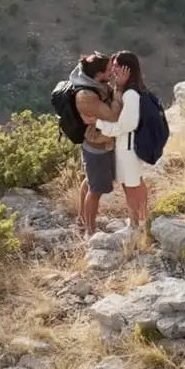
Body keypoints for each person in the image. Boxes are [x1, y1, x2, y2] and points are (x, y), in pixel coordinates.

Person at [68, 52, 122, 238]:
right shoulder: (86, 95)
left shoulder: (95, 83)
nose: (112, 72)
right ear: (98, 74)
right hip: (96, 147)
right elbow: (112, 115)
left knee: (91, 181)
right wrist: (119, 89)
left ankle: (83, 221)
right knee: (96, 189)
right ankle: (89, 231)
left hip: (100, 142)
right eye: (108, 70)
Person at [99, 50, 151, 231]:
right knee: (135, 183)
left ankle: (137, 223)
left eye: (116, 66)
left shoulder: (131, 94)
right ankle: (141, 220)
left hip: (129, 147)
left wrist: (99, 124)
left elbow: (126, 125)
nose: (113, 70)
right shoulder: (130, 90)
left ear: (126, 69)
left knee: (131, 186)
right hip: (128, 146)